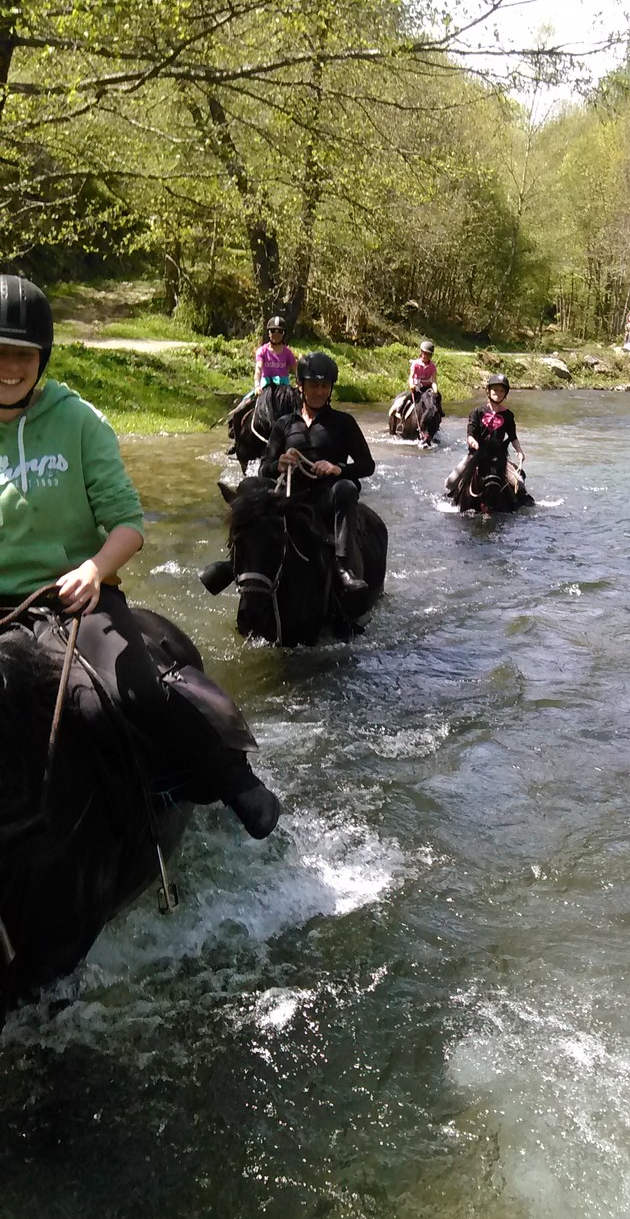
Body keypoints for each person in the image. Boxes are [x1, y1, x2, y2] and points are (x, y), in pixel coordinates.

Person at [0, 275, 280, 839]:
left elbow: (128, 522)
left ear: (43, 358)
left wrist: (93, 569)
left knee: (131, 696)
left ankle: (228, 778)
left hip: (72, 598)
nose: (9, 367)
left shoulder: (78, 421)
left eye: (22, 355)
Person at [259, 351, 375, 594]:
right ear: (301, 386)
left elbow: (367, 465)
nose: (320, 392)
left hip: (327, 497)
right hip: (291, 498)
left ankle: (344, 568)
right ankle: (243, 569)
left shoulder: (344, 423)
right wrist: (279, 463)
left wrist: (338, 468)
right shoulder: (284, 424)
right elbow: (264, 467)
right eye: (314, 385)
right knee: (249, 489)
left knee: (347, 488)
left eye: (325, 386)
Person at [466, 373, 525, 511]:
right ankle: (452, 502)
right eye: (495, 390)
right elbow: (470, 434)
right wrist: (474, 443)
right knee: (452, 480)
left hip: (498, 458)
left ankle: (521, 504)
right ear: (488, 391)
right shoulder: (477, 412)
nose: (498, 393)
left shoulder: (508, 415)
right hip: (477, 456)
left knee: (519, 481)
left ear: (505, 394)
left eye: (501, 391)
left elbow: (513, 436)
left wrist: (519, 451)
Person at [406, 339, 443, 447]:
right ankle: (399, 414)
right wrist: (412, 385)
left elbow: (434, 381)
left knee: (437, 398)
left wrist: (435, 391)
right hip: (417, 387)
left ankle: (438, 416)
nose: (424, 355)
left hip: (427, 388)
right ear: (421, 352)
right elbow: (411, 377)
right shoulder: (416, 364)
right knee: (406, 401)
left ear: (430, 355)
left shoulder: (432, 367)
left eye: (427, 354)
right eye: (423, 353)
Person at [254, 315, 297, 393]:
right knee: (246, 402)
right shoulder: (262, 351)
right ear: (268, 333)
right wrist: (257, 385)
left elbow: (296, 370)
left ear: (284, 334)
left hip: (284, 387)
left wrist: (300, 383)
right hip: (265, 386)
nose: (276, 334)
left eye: (280, 332)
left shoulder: (288, 353)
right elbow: (259, 368)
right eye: (273, 331)